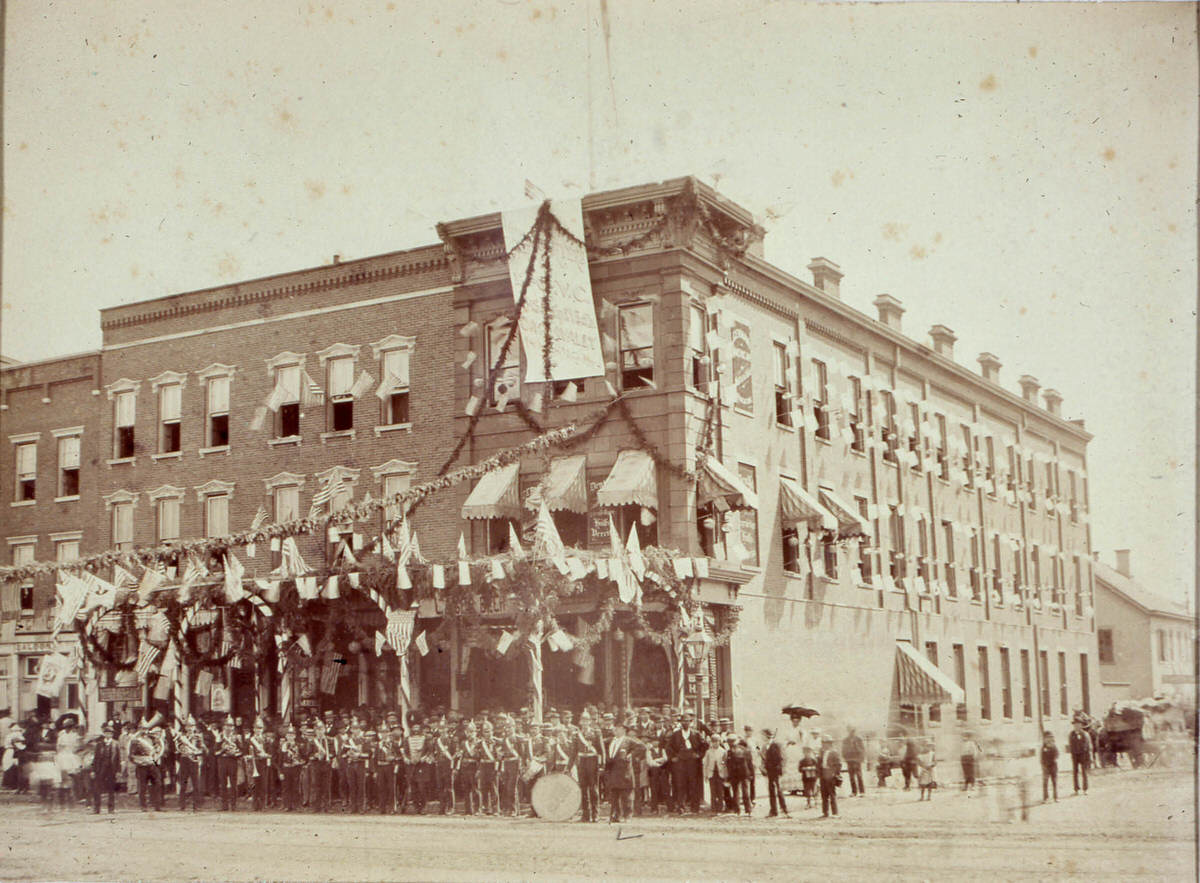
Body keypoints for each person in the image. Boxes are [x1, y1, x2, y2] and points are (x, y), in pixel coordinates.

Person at [666, 711, 705, 814]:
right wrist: (673, 757)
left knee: (693, 784)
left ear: (690, 722)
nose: (685, 723)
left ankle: (695, 807)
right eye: (684, 721)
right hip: (680, 763)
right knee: (680, 784)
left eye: (687, 721)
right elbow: (668, 747)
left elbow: (704, 745)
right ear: (681, 722)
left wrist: (699, 755)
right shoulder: (676, 734)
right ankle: (681, 807)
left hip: (692, 762)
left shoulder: (696, 733)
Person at [173, 716, 205, 812]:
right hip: (184, 760)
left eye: (192, 726)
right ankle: (182, 805)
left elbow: (202, 749)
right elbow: (177, 748)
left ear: (194, 727)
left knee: (196, 784)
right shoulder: (182, 737)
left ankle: (196, 805)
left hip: (193, 760)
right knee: (183, 783)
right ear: (185, 727)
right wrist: (181, 749)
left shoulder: (198, 736)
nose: (190, 728)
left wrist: (196, 752)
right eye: (188, 726)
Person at [605, 721, 635, 823]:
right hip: (613, 771)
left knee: (626, 795)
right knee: (614, 795)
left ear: (624, 730)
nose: (615, 730)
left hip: (624, 771)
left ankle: (627, 816)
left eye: (618, 728)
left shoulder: (629, 741)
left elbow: (642, 748)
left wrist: (631, 755)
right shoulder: (610, 741)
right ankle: (616, 815)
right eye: (615, 728)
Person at [91, 721, 121, 814]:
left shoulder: (116, 744)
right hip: (100, 768)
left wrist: (118, 770)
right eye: (107, 733)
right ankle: (97, 807)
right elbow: (95, 758)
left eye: (110, 733)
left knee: (111, 788)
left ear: (112, 735)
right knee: (97, 787)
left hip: (111, 768)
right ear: (104, 734)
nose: (108, 735)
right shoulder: (99, 744)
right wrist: (93, 770)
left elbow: (118, 758)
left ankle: (111, 808)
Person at [214, 716, 242, 811]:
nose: (229, 728)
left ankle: (233, 805)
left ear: (233, 727)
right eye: (227, 725)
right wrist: (223, 749)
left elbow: (242, 751)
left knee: (233, 783)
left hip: (232, 761)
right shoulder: (220, 736)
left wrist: (234, 753)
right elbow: (215, 752)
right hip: (222, 761)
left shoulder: (236, 737)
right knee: (223, 783)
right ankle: (224, 805)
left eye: (231, 726)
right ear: (224, 726)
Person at [725, 737, 754, 816]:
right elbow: (750, 762)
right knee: (744, 791)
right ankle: (748, 810)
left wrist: (729, 776)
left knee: (736, 792)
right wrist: (751, 773)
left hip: (736, 774)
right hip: (744, 773)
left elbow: (729, 765)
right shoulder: (745, 749)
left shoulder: (730, 751)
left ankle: (738, 810)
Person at [762, 730, 788, 817]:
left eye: (763, 736)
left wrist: (778, 769)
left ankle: (783, 809)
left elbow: (780, 758)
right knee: (772, 790)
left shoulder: (775, 745)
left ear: (767, 736)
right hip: (770, 771)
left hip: (775, 771)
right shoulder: (765, 746)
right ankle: (774, 810)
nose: (762, 738)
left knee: (778, 790)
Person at [817, 734, 842, 818]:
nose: (824, 744)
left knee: (832, 793)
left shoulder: (834, 752)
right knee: (824, 794)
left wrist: (835, 773)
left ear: (830, 743)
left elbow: (838, 764)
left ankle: (835, 813)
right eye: (823, 742)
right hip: (823, 774)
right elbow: (819, 763)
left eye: (826, 743)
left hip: (830, 774)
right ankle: (825, 812)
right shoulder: (822, 752)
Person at [702, 734, 727, 814]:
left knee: (720, 791)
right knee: (713, 791)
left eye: (717, 742)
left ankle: (720, 808)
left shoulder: (723, 751)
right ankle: (713, 808)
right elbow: (705, 764)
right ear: (711, 742)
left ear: (720, 742)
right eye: (713, 742)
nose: (715, 743)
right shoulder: (708, 752)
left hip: (720, 773)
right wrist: (705, 775)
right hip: (712, 773)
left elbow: (725, 764)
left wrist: (726, 775)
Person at [1068, 719, 1092, 795]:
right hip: (1075, 755)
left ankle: (1085, 789)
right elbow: (1070, 745)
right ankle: (1076, 789)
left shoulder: (1085, 734)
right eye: (1075, 725)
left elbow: (1088, 745)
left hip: (1083, 755)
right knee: (1075, 772)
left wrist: (1089, 756)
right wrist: (1072, 754)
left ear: (1081, 725)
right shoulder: (1071, 734)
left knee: (1084, 772)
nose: (1076, 726)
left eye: (1078, 724)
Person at [842, 727, 865, 797]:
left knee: (859, 776)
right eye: (850, 731)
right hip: (850, 760)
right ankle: (854, 791)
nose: (851, 733)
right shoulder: (845, 740)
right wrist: (846, 758)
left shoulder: (859, 739)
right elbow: (843, 750)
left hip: (857, 760)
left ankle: (862, 791)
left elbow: (862, 750)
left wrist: (861, 759)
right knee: (851, 777)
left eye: (853, 731)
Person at [1040, 730, 1059, 803]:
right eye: (1047, 738)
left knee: (1054, 781)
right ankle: (1046, 798)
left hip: (1053, 766)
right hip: (1046, 767)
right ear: (1044, 739)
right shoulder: (1043, 748)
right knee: (1045, 782)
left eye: (1050, 738)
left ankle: (1056, 797)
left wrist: (1054, 759)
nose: (1048, 740)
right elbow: (1041, 759)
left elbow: (1057, 755)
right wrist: (1043, 766)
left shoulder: (1054, 747)